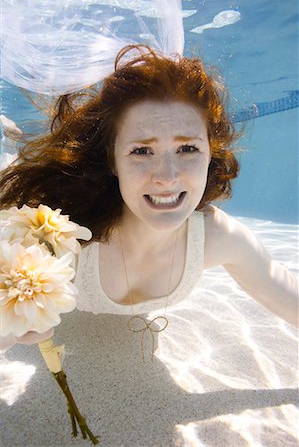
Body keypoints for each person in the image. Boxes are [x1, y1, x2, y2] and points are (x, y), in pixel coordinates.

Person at [0, 44, 298, 351]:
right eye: (142, 151)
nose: (167, 177)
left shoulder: (218, 238)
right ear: (113, 160)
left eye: (188, 149)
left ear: (211, 154)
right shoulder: (59, 236)